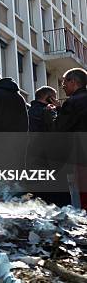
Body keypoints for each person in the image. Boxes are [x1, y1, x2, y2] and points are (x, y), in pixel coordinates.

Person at [44, 68, 87, 208]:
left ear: (73, 82)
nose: (63, 86)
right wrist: (60, 110)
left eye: (64, 83)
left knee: (82, 197)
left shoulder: (73, 102)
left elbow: (59, 128)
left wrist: (51, 116)